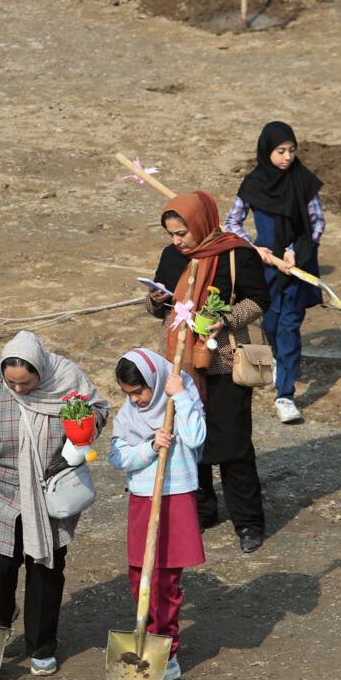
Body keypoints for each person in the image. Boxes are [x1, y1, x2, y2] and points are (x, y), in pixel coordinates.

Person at [0, 330, 110, 676]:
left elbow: (98, 409)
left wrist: (85, 425)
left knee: (45, 569)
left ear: (40, 371)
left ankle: (42, 645)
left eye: (26, 383)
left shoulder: (65, 376)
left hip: (48, 489)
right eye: (13, 383)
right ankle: (1, 616)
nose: (19, 389)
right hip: (0, 488)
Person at [146, 190, 270, 553]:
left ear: (200, 224)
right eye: (171, 234)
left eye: (182, 233)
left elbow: (259, 299)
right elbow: (163, 301)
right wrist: (154, 302)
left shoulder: (236, 254)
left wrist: (225, 320)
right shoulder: (172, 257)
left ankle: (248, 521)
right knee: (187, 436)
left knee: (232, 442)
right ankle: (202, 509)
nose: (177, 241)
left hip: (224, 362)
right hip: (182, 363)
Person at [108, 348, 206, 680]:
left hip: (175, 495)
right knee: (140, 577)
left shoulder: (181, 392)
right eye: (129, 394)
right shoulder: (130, 414)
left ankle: (168, 650)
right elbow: (117, 457)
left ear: (154, 381)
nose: (135, 400)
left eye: (138, 392)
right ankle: (145, 635)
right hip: (143, 499)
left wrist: (179, 398)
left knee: (165, 582)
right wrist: (148, 448)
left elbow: (195, 438)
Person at [224, 121, 326, 424]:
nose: (287, 157)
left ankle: (285, 396)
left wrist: (296, 249)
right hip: (265, 269)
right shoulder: (253, 184)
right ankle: (278, 362)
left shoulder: (303, 182)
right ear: (267, 151)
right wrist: (255, 250)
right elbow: (232, 223)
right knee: (268, 322)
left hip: (297, 267)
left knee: (289, 328)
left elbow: (317, 222)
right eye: (281, 151)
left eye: (292, 150)